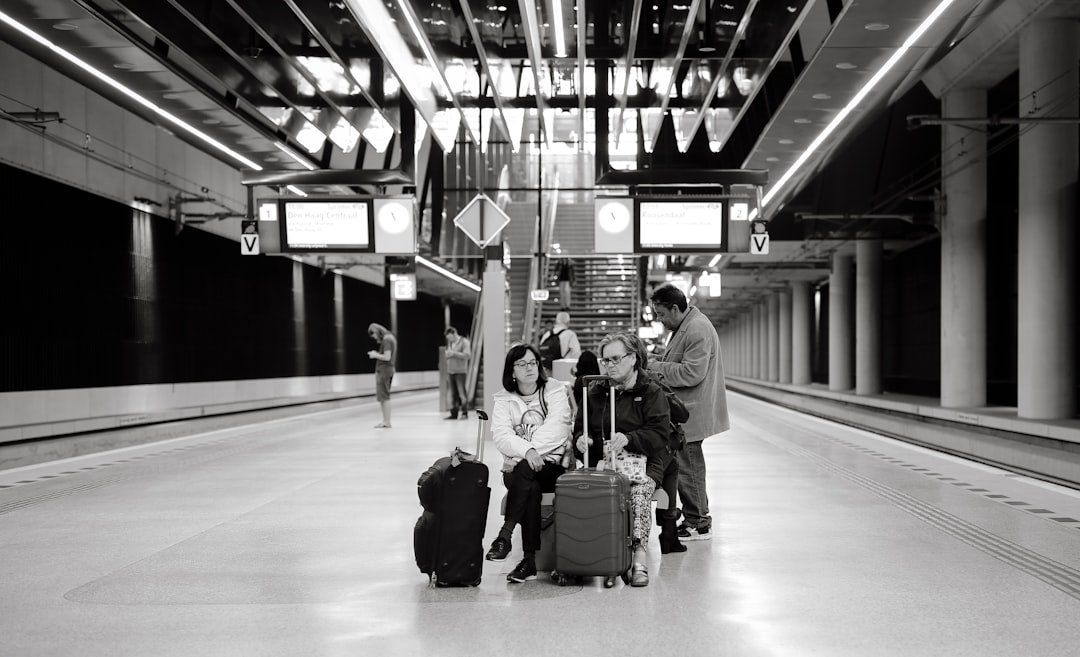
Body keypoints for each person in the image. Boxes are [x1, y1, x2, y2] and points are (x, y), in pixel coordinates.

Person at [574, 333, 671, 587]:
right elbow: (580, 430)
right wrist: (582, 441)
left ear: (634, 358)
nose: (610, 365)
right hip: (605, 464)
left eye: (616, 358)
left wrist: (630, 438)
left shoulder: (651, 392)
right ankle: (592, 552)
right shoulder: (596, 393)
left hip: (644, 464)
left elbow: (660, 435)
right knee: (583, 489)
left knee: (638, 494)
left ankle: (639, 555)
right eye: (605, 360)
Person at [647, 283, 729, 541]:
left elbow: (692, 372)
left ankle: (699, 522)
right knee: (688, 464)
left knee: (689, 466)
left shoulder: (697, 328)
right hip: (688, 409)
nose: (660, 321)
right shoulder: (688, 325)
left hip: (692, 411)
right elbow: (680, 360)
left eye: (661, 314)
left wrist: (656, 367)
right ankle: (697, 514)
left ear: (674, 307)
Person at [487, 344, 573, 583]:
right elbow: (502, 436)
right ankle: (529, 561)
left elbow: (558, 429)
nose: (529, 368)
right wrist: (529, 451)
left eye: (533, 362)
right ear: (512, 371)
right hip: (519, 470)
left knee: (525, 471)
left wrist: (525, 452)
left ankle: (505, 534)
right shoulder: (504, 399)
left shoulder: (554, 390)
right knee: (530, 486)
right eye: (522, 364)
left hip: (552, 467)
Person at [366, 323, 397, 428]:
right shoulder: (391, 337)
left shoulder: (387, 339)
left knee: (384, 397)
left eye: (374, 335)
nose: (375, 338)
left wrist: (375, 355)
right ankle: (385, 421)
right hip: (386, 370)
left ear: (376, 331)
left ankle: (387, 421)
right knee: (383, 397)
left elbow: (387, 357)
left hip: (384, 370)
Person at [443, 326, 471, 420]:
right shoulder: (450, 343)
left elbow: (467, 355)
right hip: (451, 371)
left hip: (460, 372)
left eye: (450, 337)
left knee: (462, 393)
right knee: (453, 394)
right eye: (448, 338)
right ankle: (454, 414)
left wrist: (453, 354)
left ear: (454, 333)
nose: (449, 339)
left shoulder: (464, 342)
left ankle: (464, 413)